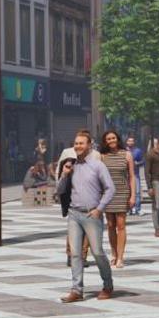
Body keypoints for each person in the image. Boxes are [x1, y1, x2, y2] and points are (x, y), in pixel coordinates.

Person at [56, 130, 115, 303]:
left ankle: (108, 284)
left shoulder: (98, 165)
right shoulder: (70, 165)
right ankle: (77, 290)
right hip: (74, 214)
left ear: (89, 145)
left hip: (92, 214)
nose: (78, 146)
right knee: (75, 254)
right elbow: (59, 191)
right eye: (75, 143)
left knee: (97, 252)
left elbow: (110, 189)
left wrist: (100, 208)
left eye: (81, 143)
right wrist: (65, 174)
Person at [98, 130, 136, 269]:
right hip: (107, 194)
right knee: (110, 225)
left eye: (113, 138)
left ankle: (120, 257)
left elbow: (132, 177)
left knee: (121, 225)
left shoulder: (126, 155)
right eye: (108, 139)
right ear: (105, 141)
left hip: (122, 192)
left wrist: (133, 196)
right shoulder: (102, 156)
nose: (111, 140)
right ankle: (113, 253)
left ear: (117, 139)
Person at [126, 136, 145, 216]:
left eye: (132, 141)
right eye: (129, 141)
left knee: (137, 192)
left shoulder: (138, 151)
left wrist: (138, 163)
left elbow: (143, 161)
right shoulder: (124, 151)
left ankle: (138, 209)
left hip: (135, 174)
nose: (130, 142)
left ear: (134, 142)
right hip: (126, 175)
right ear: (126, 142)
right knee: (127, 193)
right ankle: (129, 209)